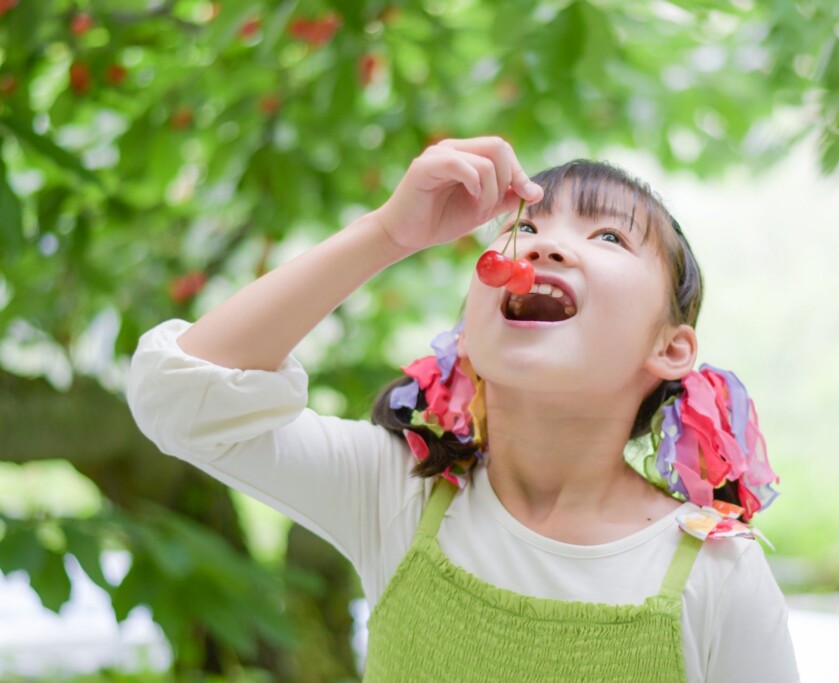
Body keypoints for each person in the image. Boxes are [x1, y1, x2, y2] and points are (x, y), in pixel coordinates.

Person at [127, 136, 800, 681]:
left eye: (609, 238)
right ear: (466, 335)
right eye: (526, 224)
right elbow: (181, 395)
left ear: (672, 347)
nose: (538, 245)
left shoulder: (717, 575)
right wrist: (389, 233)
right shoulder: (397, 494)